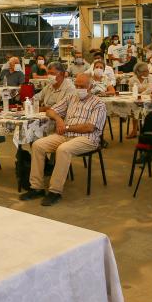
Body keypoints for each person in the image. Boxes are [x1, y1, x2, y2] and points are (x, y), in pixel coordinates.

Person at [19, 73, 107, 206]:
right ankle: (36, 187)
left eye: (82, 86)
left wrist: (66, 127)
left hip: (87, 138)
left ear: (90, 86)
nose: (79, 89)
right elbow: (50, 111)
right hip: (65, 135)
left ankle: (55, 191)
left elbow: (89, 128)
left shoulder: (99, 104)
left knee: (63, 149)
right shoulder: (71, 97)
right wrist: (59, 119)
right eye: (77, 86)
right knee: (37, 145)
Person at [125, 62, 152, 138]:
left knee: (146, 107)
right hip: (136, 99)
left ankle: (146, 129)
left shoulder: (150, 77)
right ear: (138, 72)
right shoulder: (132, 79)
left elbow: (149, 90)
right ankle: (134, 130)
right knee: (134, 106)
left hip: (149, 98)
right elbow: (131, 91)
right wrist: (139, 94)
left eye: (147, 70)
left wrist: (140, 94)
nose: (147, 72)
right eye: (145, 71)